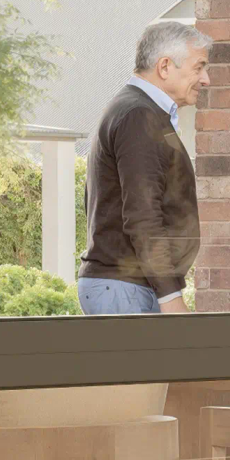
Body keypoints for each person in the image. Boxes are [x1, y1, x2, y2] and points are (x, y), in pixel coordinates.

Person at [77, 20, 208, 315]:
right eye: (199, 67)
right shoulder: (139, 116)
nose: (206, 79)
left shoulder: (141, 112)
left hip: (128, 287)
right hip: (126, 288)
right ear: (164, 67)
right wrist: (170, 295)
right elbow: (143, 214)